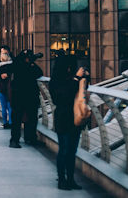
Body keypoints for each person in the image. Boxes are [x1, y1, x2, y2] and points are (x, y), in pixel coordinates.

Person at [48, 53, 88, 190]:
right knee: (64, 149)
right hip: (63, 117)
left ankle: (70, 179)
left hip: (75, 119)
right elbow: (61, 97)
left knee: (72, 151)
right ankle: (62, 179)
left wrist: (84, 78)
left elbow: (82, 92)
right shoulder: (55, 81)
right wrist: (76, 79)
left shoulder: (71, 79)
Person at [9, 49, 44, 148]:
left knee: (29, 118)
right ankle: (18, 139)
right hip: (23, 96)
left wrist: (30, 63)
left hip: (26, 96)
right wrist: (30, 64)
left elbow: (39, 73)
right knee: (19, 119)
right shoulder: (18, 65)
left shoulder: (20, 64)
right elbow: (38, 73)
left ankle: (27, 138)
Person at [0, 46, 13, 128]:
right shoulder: (12, 64)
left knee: (4, 107)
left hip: (1, 88)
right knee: (9, 106)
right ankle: (11, 123)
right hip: (10, 88)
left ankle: (5, 123)